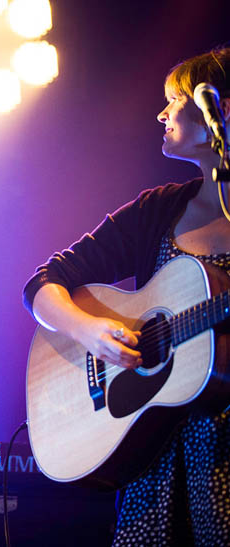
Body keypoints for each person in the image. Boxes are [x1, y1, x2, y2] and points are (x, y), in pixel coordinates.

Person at [23, 47, 230, 545]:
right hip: (151, 467)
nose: (161, 114)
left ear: (220, 111)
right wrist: (89, 330)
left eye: (174, 100)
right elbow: (43, 283)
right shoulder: (158, 209)